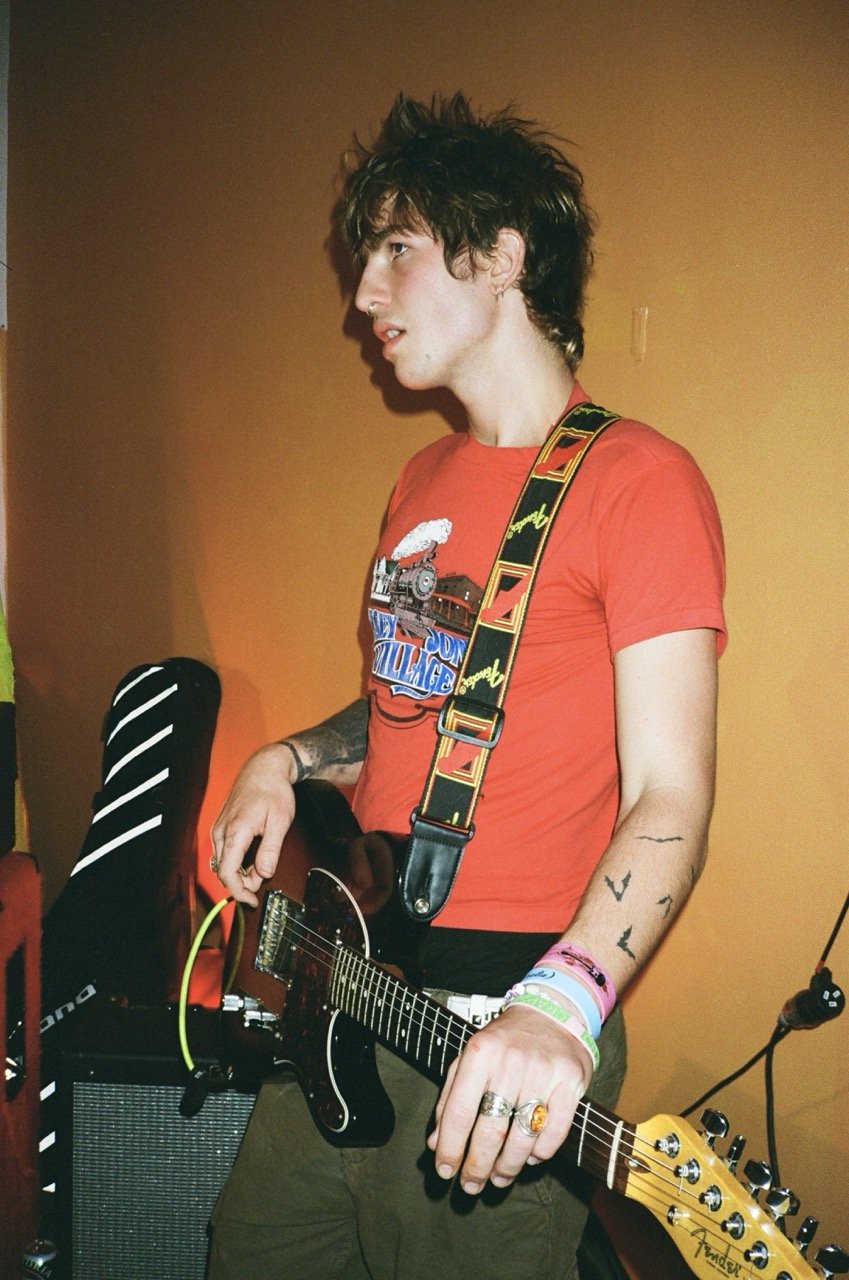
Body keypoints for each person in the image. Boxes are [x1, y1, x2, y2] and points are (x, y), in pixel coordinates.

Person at [207, 93, 726, 1280]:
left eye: (394, 249)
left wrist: (566, 1003)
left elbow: (671, 794)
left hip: (502, 1021)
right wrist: (283, 760)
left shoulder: (639, 481)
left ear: (501, 256)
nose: (362, 298)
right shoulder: (420, 478)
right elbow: (403, 711)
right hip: (347, 995)